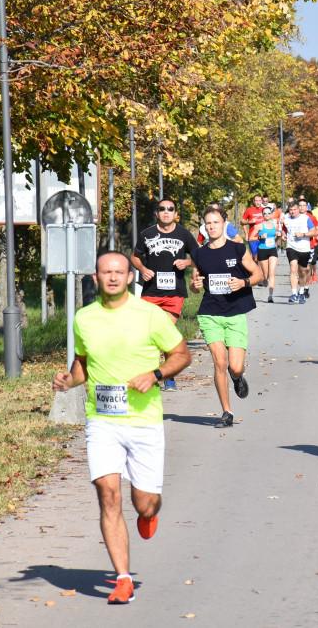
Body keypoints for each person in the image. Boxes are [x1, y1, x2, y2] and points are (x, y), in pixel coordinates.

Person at [53, 251, 192, 604]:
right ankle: (123, 578)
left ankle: (148, 515)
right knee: (108, 496)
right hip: (102, 421)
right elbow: (83, 363)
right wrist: (68, 381)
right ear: (96, 278)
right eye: (105, 272)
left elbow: (181, 354)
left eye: (119, 272)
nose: (112, 277)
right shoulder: (84, 319)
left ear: (130, 277)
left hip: (144, 421)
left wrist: (156, 374)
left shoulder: (150, 315)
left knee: (144, 504)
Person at [191, 207, 263, 428]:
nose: (212, 226)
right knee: (219, 362)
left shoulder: (238, 249)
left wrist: (243, 283)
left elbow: (259, 274)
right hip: (210, 313)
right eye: (208, 223)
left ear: (224, 224)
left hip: (235, 313)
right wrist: (194, 286)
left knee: (235, 366)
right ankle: (227, 412)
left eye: (216, 222)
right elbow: (196, 285)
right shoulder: (199, 254)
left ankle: (237, 377)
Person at [131, 198, 197, 391]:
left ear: (175, 213)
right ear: (156, 213)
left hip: (174, 293)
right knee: (148, 335)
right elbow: (135, 256)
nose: (166, 212)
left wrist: (187, 263)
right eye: (162, 209)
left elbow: (199, 255)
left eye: (170, 209)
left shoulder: (184, 234)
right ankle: (148, 374)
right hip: (151, 292)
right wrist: (142, 269)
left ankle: (168, 378)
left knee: (166, 332)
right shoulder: (147, 234)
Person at [281, 201, 317, 304]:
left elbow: (313, 231)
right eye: (291, 210)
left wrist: (303, 234)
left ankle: (301, 292)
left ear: (298, 210)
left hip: (304, 248)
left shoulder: (305, 218)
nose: (292, 212)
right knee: (293, 268)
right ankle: (294, 294)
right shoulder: (286, 219)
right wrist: (283, 235)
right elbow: (284, 230)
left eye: (294, 210)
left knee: (303, 271)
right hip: (291, 247)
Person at [249, 204, 280, 303]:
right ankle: (264, 280)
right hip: (262, 250)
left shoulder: (275, 225)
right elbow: (250, 238)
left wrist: (279, 236)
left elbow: (279, 237)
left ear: (271, 215)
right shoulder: (259, 226)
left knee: (272, 273)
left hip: (272, 250)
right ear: (262, 215)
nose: (266, 215)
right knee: (266, 275)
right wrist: (260, 237)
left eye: (268, 213)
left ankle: (270, 296)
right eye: (264, 213)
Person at [240, 194, 266, 262]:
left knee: (263, 257)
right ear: (253, 201)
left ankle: (262, 272)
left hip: (263, 236)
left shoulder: (264, 210)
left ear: (261, 201)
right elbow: (242, 222)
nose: (258, 202)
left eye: (259, 200)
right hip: (253, 237)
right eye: (256, 200)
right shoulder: (249, 210)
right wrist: (249, 222)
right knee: (255, 258)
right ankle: (255, 271)